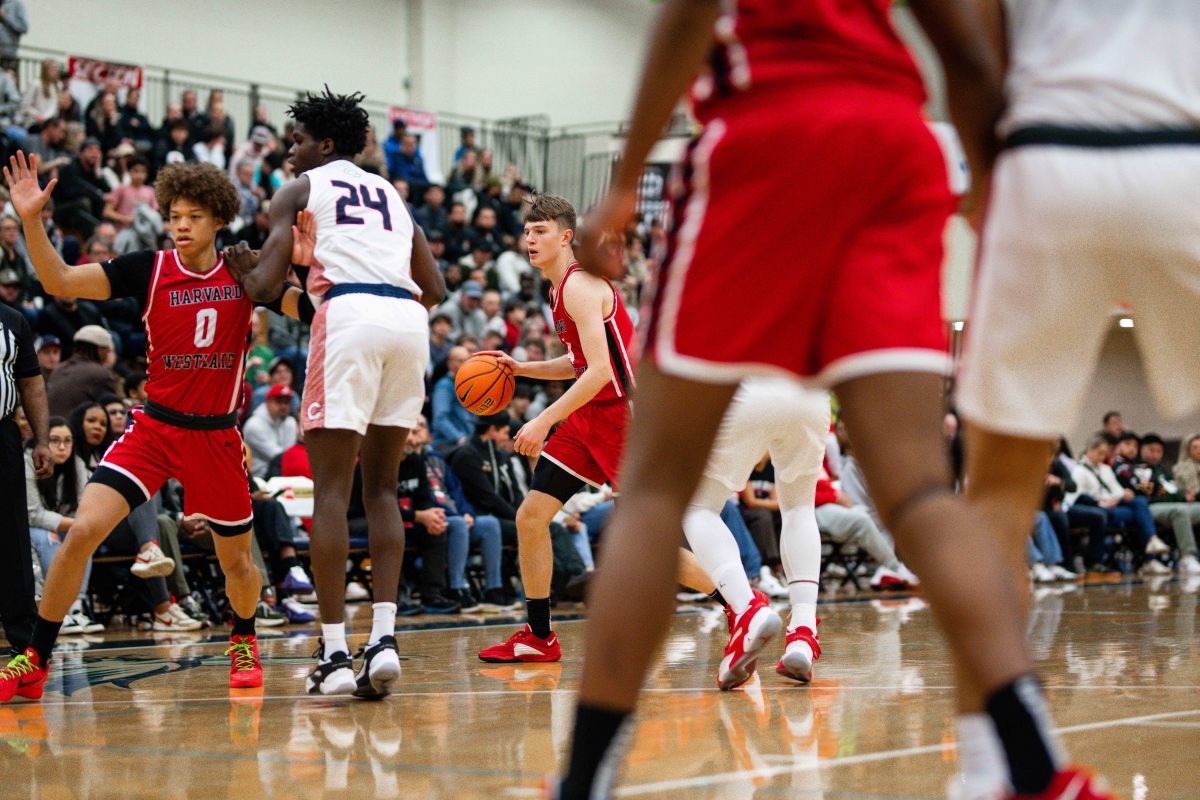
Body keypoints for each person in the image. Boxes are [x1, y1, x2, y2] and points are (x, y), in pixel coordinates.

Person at [554, 3, 1110, 800]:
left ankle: (585, 780)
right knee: (920, 492)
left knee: (655, 493)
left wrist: (626, 176)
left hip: (767, 132)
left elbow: (683, 19)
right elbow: (967, 50)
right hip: (894, 143)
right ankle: (1035, 768)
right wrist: (989, 181)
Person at [956, 0, 1200, 792]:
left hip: (1046, 156)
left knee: (994, 500)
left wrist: (986, 171)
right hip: (1182, 152)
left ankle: (989, 773)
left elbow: (971, 46)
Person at [0, 153, 314, 704]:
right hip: (154, 428)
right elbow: (58, 279)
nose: (182, 224)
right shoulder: (149, 267)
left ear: (219, 218)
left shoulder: (247, 271)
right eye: (173, 214)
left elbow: (313, 311)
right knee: (81, 534)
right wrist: (31, 219)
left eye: (193, 214)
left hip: (216, 435)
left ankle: (243, 639)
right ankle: (35, 658)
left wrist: (305, 270)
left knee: (237, 560)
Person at [229, 87, 445, 698]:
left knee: (332, 488)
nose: (290, 152)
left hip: (347, 317)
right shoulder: (394, 197)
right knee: (381, 489)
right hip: (408, 322)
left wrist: (254, 270)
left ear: (325, 144)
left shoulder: (300, 190)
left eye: (297, 141)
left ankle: (334, 653)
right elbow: (437, 288)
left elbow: (263, 285)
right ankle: (383, 639)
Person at [476, 194, 636, 664]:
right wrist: (519, 368)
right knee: (531, 517)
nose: (529, 239)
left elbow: (600, 371)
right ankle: (540, 635)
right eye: (527, 232)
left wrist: (544, 419)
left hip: (619, 418)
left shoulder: (579, 287)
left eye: (540, 231)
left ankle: (739, 606)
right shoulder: (557, 288)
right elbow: (577, 363)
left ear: (566, 237)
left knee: (645, 539)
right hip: (587, 418)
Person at [0, 295, 51, 654]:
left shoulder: (13, 320)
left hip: (2, 433)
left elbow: (31, 383)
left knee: (12, 536)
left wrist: (43, 440)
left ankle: (25, 643)